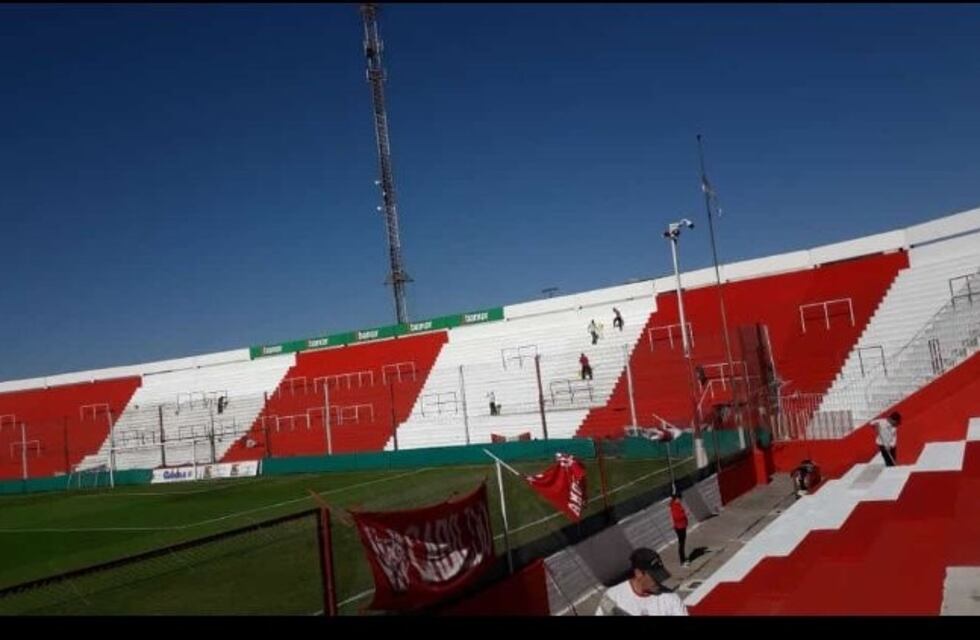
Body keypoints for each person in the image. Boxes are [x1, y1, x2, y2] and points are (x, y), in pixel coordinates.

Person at [595, 548, 688, 616]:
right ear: (638, 573)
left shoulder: (671, 599)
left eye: (660, 576)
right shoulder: (613, 596)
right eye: (654, 577)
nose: (659, 581)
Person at [669, 490, 689, 567]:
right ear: (677, 498)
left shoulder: (676, 505)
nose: (680, 500)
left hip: (682, 526)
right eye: (680, 498)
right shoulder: (675, 506)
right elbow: (677, 517)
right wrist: (685, 514)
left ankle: (683, 558)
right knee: (681, 544)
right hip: (679, 527)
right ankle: (682, 561)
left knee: (682, 543)